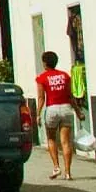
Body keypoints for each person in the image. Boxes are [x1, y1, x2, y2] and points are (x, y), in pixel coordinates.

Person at [36, 51, 76, 180]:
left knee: (51, 138)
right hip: (66, 108)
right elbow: (70, 96)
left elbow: (41, 98)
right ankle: (68, 173)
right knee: (65, 141)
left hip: (52, 109)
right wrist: (79, 112)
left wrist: (37, 114)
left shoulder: (42, 78)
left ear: (45, 63)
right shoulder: (65, 76)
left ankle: (56, 167)